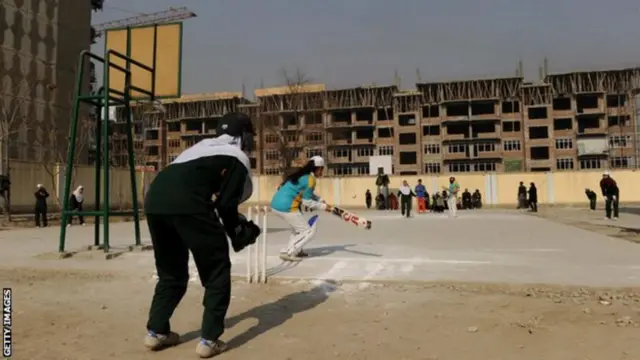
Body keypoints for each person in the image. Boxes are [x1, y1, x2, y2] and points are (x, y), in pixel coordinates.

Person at [142, 112, 260, 357]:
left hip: (155, 201)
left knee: (171, 273)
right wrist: (238, 232)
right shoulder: (236, 156)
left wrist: (233, 227)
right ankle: (209, 340)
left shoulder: (198, 149)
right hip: (190, 204)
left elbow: (215, 198)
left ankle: (156, 332)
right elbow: (226, 205)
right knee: (217, 270)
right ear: (245, 137)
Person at [271, 156, 327, 262]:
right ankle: (289, 251)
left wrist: (320, 199)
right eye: (322, 169)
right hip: (287, 206)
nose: (322, 171)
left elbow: (306, 193)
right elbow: (307, 201)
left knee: (298, 229)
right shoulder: (310, 179)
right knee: (307, 231)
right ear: (318, 168)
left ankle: (297, 249)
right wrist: (324, 207)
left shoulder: (302, 175)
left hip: (276, 204)